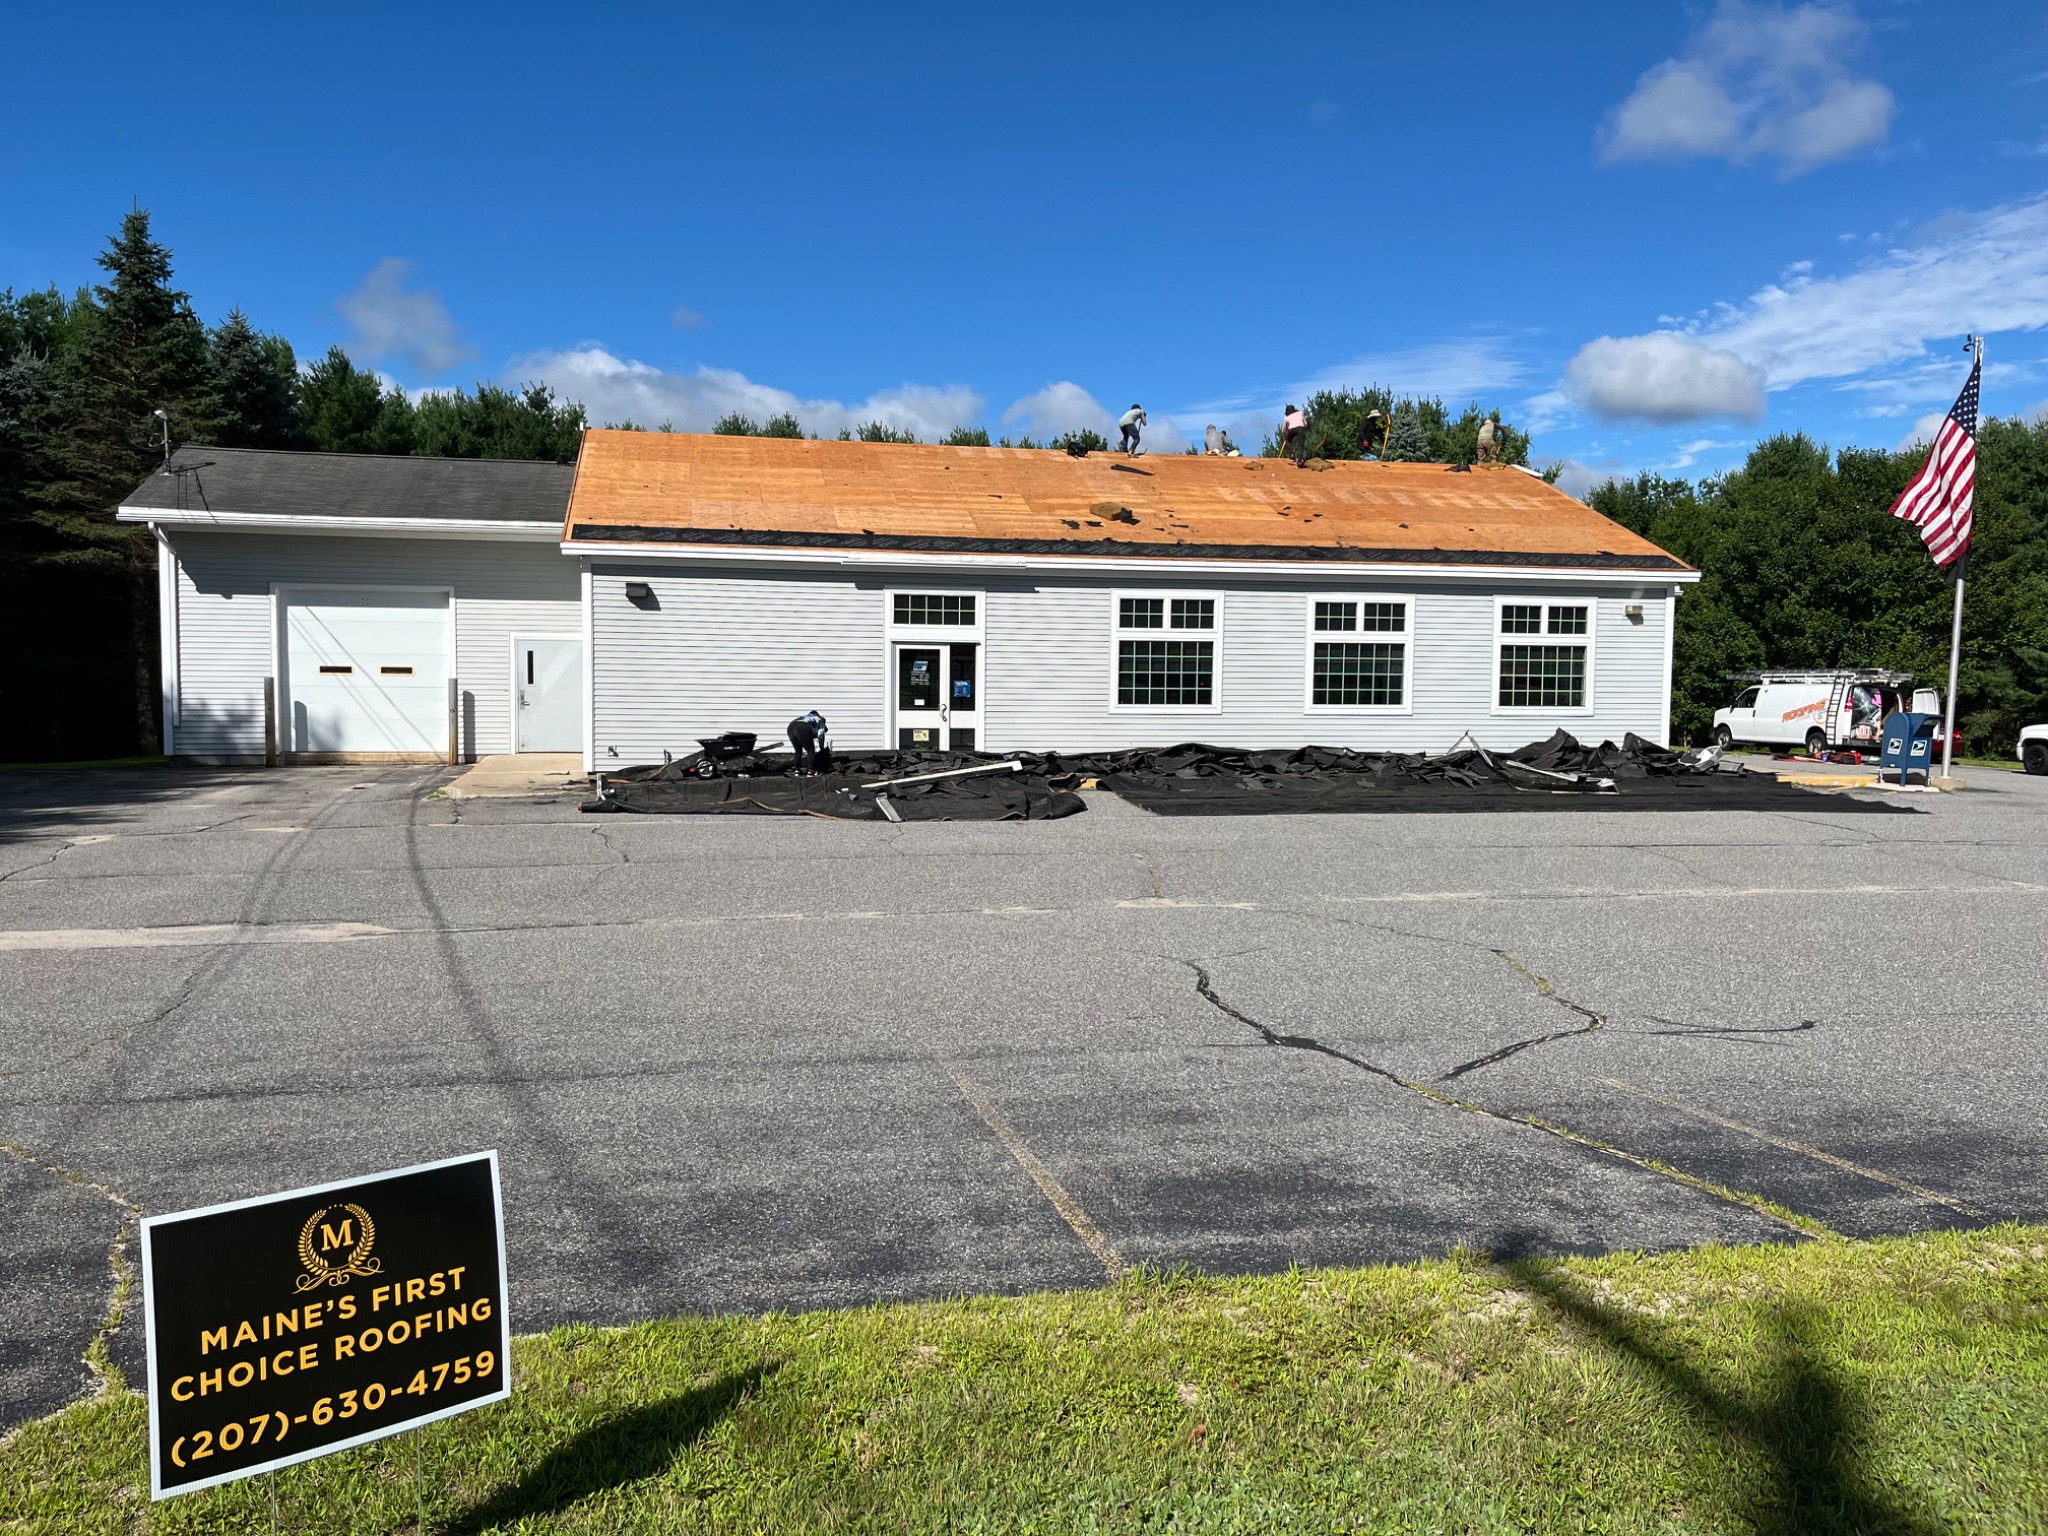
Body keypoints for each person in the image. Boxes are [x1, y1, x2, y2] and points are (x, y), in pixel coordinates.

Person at [787, 709, 830, 774]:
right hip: (803, 727)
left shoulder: (806, 717)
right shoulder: (820, 721)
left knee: (798, 750)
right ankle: (810, 770)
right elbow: (821, 735)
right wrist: (821, 747)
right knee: (810, 750)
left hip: (791, 726)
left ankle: (797, 769)